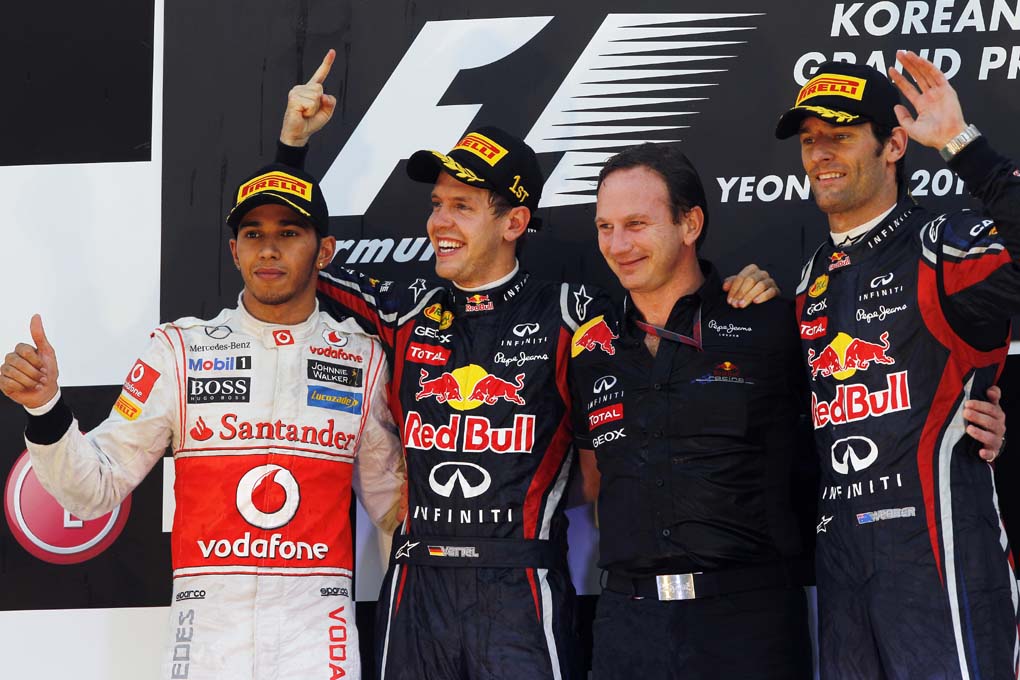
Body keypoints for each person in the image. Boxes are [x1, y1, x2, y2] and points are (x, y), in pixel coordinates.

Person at [276, 51, 779, 680]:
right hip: (416, 584)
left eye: (462, 206)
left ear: (514, 221)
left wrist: (739, 289)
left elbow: (662, 312)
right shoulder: (404, 311)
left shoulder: (574, 318)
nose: (439, 222)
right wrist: (292, 150)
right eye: (436, 204)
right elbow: (287, 262)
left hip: (521, 586)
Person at [0, 163, 405, 680]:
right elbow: (92, 489)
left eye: (289, 233)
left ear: (323, 251)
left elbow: (396, 511)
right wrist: (45, 407)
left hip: (318, 638)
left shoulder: (362, 359)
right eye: (252, 234)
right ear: (234, 251)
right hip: (208, 640)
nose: (268, 250)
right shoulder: (179, 351)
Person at [777, 52, 1019, 678]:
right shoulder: (807, 281)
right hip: (842, 567)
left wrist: (963, 146)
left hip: (941, 562)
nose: (820, 154)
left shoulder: (941, 246)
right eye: (810, 141)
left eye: (841, 136)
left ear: (893, 144)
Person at [569, 142, 815, 679]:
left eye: (636, 223)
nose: (618, 244)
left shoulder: (769, 324)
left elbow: (856, 416)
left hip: (747, 624)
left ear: (690, 223)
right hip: (626, 627)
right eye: (605, 226)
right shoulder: (590, 347)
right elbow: (592, 479)